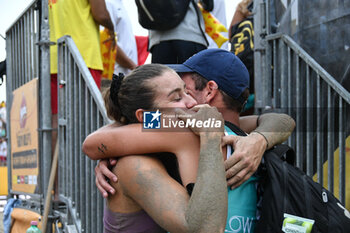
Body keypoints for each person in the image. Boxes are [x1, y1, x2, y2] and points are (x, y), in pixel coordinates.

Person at [84, 49, 295, 232]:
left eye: (187, 89)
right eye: (178, 96)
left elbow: (282, 120)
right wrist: (114, 148)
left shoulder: (215, 130)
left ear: (210, 90)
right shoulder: (200, 130)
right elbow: (95, 144)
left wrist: (258, 140)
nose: (190, 100)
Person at [84, 64, 228, 232]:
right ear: (147, 117)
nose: (192, 102)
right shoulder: (134, 164)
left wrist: (261, 138)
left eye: (186, 91)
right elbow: (206, 229)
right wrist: (211, 137)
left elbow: (255, 121)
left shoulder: (173, 138)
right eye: (176, 99)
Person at [105, 0, 138, 75]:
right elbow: (107, 41)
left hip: (126, 73)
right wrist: (134, 67)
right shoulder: (108, 3)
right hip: (116, 73)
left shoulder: (119, 4)